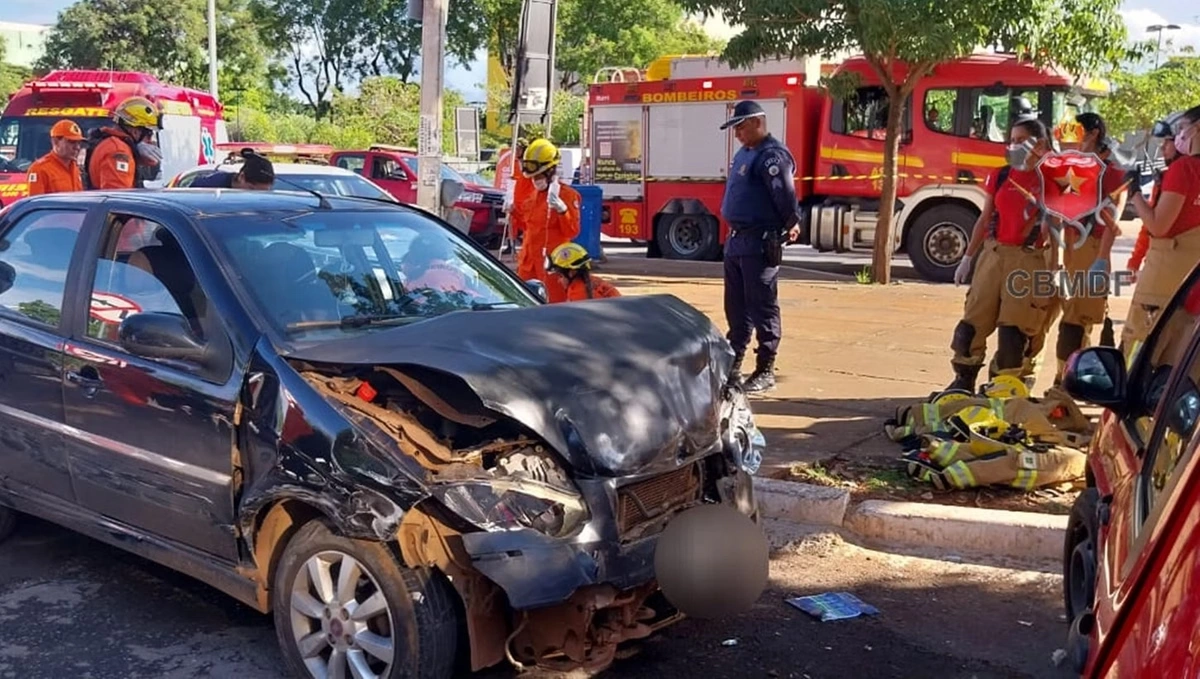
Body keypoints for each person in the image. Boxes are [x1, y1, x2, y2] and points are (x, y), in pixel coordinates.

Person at [948, 118, 1056, 393]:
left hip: (1029, 261)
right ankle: (963, 379)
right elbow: (984, 219)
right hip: (993, 256)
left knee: (1014, 335)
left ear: (1040, 144)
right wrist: (968, 258)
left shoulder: (1053, 180)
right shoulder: (1000, 175)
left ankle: (1003, 387)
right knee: (969, 328)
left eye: (1022, 140)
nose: (1015, 145)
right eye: (1013, 140)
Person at [719, 100, 801, 394]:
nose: (737, 133)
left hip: (759, 242)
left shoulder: (772, 156)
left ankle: (765, 368)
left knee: (762, 306)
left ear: (757, 122)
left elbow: (784, 194)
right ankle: (734, 366)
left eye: (741, 126)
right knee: (736, 309)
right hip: (736, 241)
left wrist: (792, 221)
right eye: (735, 128)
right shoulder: (745, 153)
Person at [1043, 112, 1125, 384]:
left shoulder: (1112, 174)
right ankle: (1070, 380)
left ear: (1093, 135)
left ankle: (1065, 383)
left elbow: (1111, 221)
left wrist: (1100, 261)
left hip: (1092, 247)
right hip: (1069, 244)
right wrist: (1054, 256)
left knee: (1075, 322)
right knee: (1066, 317)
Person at [1121, 104, 1200, 362]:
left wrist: (1134, 194)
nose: (1178, 137)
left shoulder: (1185, 169)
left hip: (1163, 285)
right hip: (1194, 289)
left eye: (1182, 129)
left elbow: (1158, 225)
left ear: (1197, 128)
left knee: (1137, 360)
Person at [517, 138, 581, 303]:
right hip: (529, 264)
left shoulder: (567, 195)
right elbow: (527, 226)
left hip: (553, 265)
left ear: (550, 171)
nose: (535, 179)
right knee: (525, 304)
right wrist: (512, 210)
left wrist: (562, 210)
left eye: (538, 175)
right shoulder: (533, 195)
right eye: (533, 176)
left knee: (553, 306)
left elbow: (572, 231)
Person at [1128, 111, 1188, 279]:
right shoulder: (1165, 179)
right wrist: (1135, 261)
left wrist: (1134, 191)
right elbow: (1148, 226)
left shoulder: (1177, 176)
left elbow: (1155, 226)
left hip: (1170, 265)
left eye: (1167, 143)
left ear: (1181, 141)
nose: (1162, 148)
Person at [84, 96, 164, 190]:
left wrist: (136, 151)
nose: (150, 141)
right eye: (149, 134)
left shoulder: (113, 144)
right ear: (135, 131)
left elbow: (151, 162)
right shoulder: (118, 150)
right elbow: (118, 198)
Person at [25, 119, 85, 196]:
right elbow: (36, 205)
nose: (77, 147)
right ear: (55, 142)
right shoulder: (39, 169)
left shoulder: (75, 168)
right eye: (71, 142)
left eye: (79, 143)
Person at [546, 242, 621, 302]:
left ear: (572, 272)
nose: (559, 281)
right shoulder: (594, 281)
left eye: (561, 276)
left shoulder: (577, 293)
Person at [499, 138, 532, 255]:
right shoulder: (516, 161)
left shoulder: (529, 163)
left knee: (525, 222)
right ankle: (510, 243)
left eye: (518, 149)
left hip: (525, 197)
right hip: (516, 194)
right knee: (511, 220)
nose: (516, 151)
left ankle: (524, 242)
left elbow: (527, 178)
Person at [187, 148, 276, 189]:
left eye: (264, 193)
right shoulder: (206, 187)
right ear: (241, 177)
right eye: (251, 189)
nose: (257, 197)